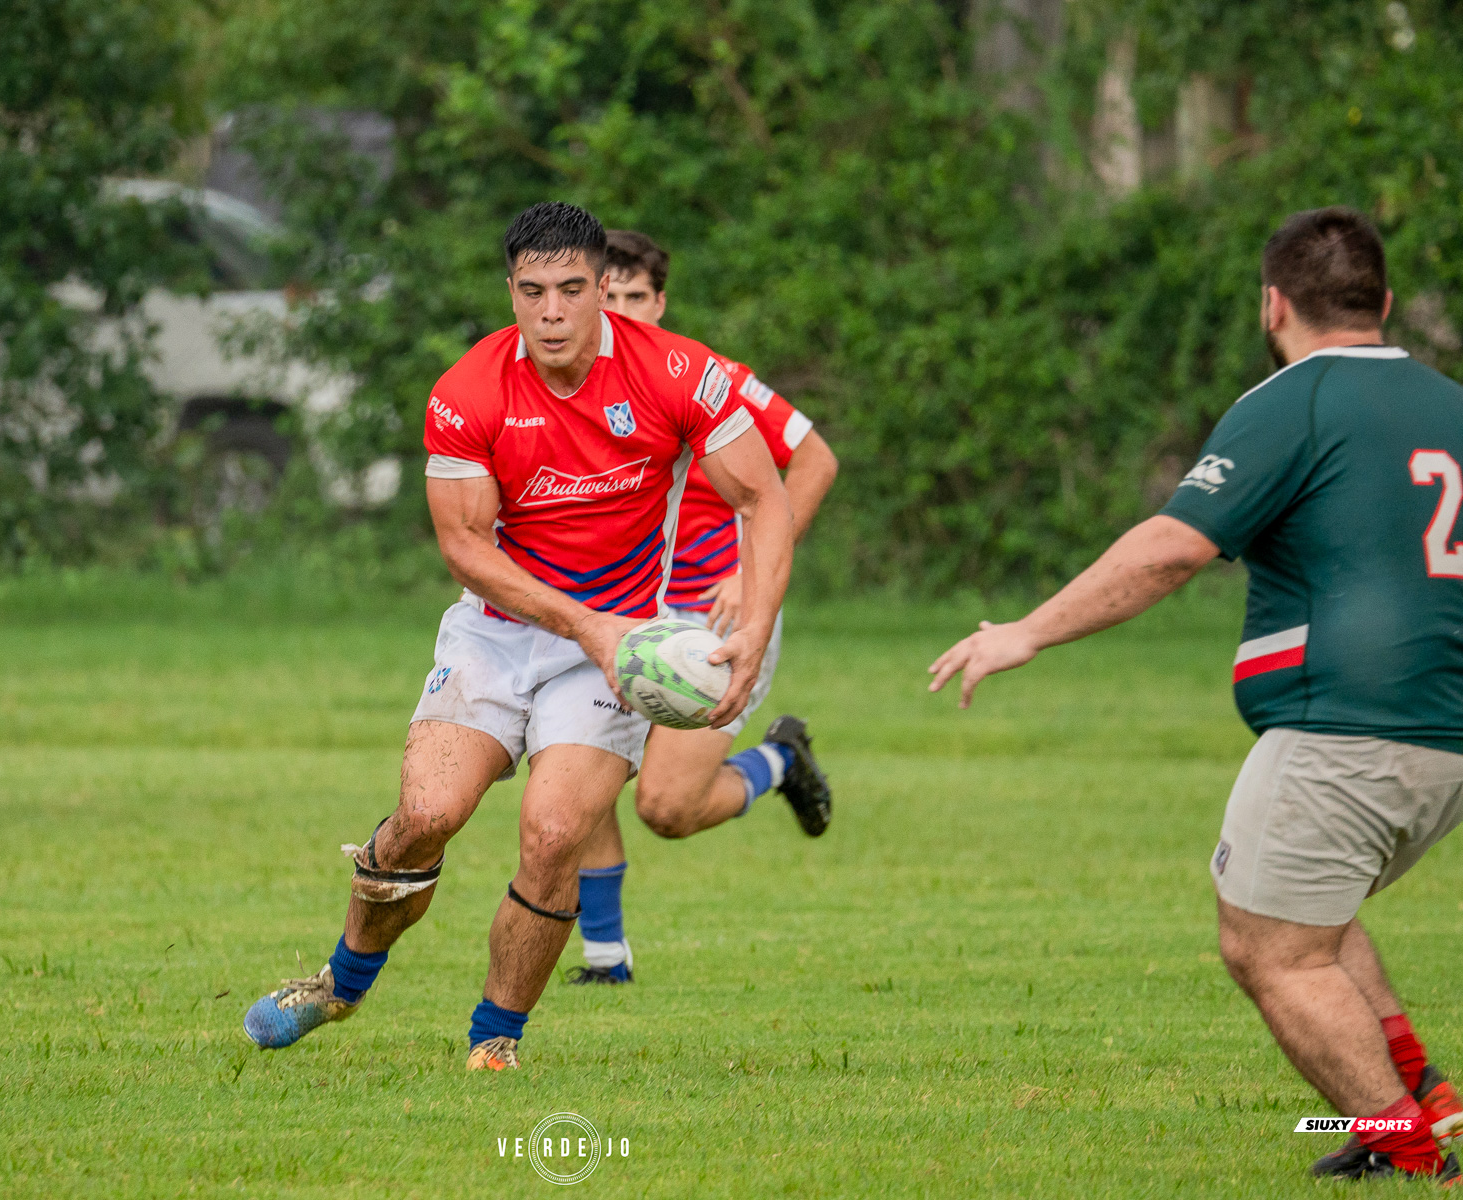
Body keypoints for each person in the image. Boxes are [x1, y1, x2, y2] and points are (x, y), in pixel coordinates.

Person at [928, 207, 1463, 1183]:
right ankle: (1423, 1092)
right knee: (1312, 912)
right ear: (1383, 303)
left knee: (1267, 947)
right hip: (1443, 737)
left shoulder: (1296, 399)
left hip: (1344, 728)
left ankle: (1414, 1152)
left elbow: (1174, 548)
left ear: (1272, 304)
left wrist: (1025, 631)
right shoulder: (1450, 406)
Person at [243, 202, 794, 1070]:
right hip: (497, 635)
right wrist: (587, 623)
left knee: (552, 833)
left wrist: (755, 630)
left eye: (571, 290)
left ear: (603, 292)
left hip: (608, 653)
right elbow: (464, 546)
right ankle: (342, 984)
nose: (550, 312)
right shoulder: (468, 391)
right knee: (427, 815)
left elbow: (766, 499)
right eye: (531, 291)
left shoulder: (680, 373)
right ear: (510, 292)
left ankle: (492, 1043)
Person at [569, 230, 839, 985]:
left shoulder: (709, 376)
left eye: (634, 297)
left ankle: (781, 762)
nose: (619, 310)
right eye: (607, 295)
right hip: (625, 611)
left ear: (660, 301)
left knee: (665, 807)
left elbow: (816, 460)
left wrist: (752, 572)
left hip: (713, 619)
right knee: (574, 766)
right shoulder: (568, 382)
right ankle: (605, 959)